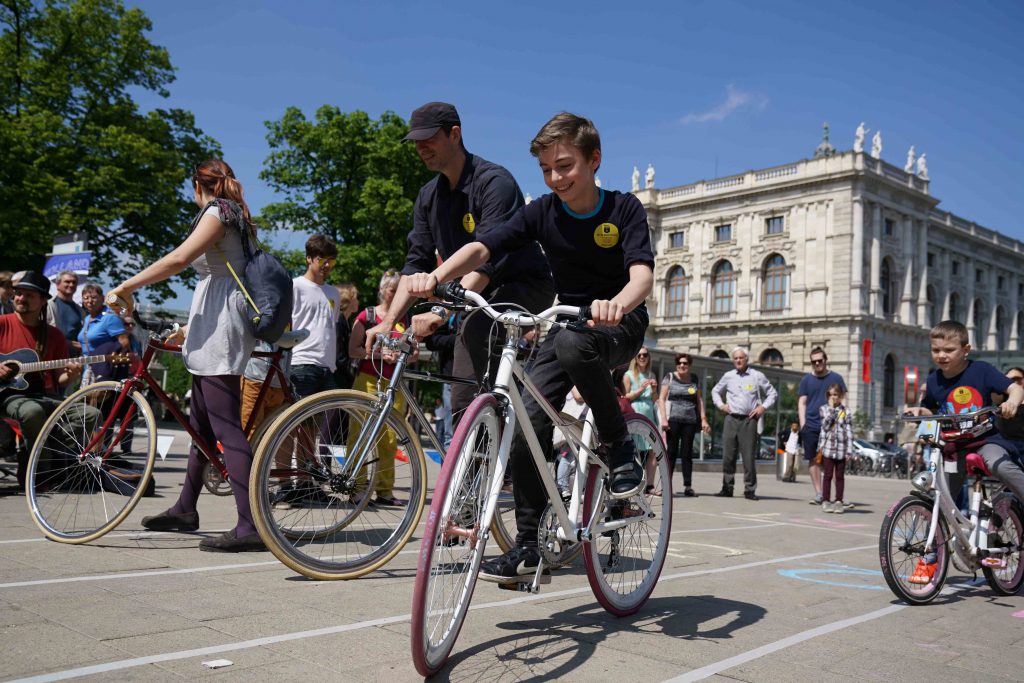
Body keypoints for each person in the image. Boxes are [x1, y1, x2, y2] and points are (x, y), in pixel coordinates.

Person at [406, 112, 654, 584]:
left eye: (565, 166)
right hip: (564, 325)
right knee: (525, 422)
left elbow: (641, 274)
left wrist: (617, 305)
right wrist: (437, 278)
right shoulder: (542, 211)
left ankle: (620, 447)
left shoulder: (623, 209)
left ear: (594, 160)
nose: (556, 178)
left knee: (578, 344)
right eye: (546, 170)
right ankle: (526, 542)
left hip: (619, 322)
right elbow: (484, 247)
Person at [364, 101, 554, 427]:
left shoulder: (495, 183)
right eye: (416, 143)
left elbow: (487, 261)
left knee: (473, 329)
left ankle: (476, 455)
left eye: (429, 139)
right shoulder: (428, 198)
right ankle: (487, 436)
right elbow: (414, 266)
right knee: (473, 344)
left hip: (524, 284)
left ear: (455, 134)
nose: (421, 149)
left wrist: (440, 312)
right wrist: (389, 321)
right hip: (471, 293)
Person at [106, 159, 264, 553]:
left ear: (198, 185)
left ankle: (250, 525)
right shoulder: (235, 213)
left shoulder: (217, 211)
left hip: (222, 322)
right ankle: (184, 507)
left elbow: (177, 260)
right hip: (213, 320)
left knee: (226, 425)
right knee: (201, 424)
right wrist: (190, 326)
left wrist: (126, 285)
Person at [906, 320, 1024, 584]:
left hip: (985, 440)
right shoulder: (934, 380)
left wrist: (1012, 403)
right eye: (936, 350)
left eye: (949, 349)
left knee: (998, 464)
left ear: (966, 349)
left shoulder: (981, 371)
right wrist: (919, 412)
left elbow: (1014, 388)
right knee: (938, 500)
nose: (941, 355)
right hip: (953, 447)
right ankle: (929, 560)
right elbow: (930, 411)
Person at [0, 271, 95, 488]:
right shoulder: (2, 323)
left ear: (43, 301)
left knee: (91, 415)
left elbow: (60, 379)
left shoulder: (54, 335)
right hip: (7, 396)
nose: (21, 298)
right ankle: (41, 464)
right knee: (32, 411)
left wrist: (71, 374)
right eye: (18, 294)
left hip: (43, 395)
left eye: (28, 295)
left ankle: (43, 450)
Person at [348, 270, 416, 506]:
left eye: (400, 290)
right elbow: (352, 350)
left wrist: (402, 354)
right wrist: (378, 352)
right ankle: (356, 487)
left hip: (393, 383)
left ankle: (384, 491)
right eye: (392, 290)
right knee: (359, 434)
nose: (396, 294)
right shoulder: (367, 315)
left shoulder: (405, 319)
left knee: (388, 439)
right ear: (382, 290)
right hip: (367, 380)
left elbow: (415, 352)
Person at [711, 347, 777, 500]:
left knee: (748, 457)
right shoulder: (728, 376)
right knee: (728, 456)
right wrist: (721, 405)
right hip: (731, 418)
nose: (738, 361)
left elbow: (772, 393)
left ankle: (749, 490)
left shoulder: (756, 376)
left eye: (741, 358)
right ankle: (727, 488)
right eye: (736, 358)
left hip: (749, 420)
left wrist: (762, 407)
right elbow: (715, 391)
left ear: (746, 359)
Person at [289, 235, 341, 399]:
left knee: (329, 422)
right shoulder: (295, 286)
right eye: (322, 260)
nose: (327, 265)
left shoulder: (334, 293)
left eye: (331, 261)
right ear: (309, 259)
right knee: (301, 422)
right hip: (301, 362)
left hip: (328, 366)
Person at [798, 347, 847, 505]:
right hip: (811, 425)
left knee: (831, 462)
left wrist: (841, 421)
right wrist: (803, 424)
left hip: (832, 426)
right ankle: (819, 493)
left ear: (826, 360)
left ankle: (837, 497)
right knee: (813, 460)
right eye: (814, 362)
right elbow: (802, 402)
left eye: (820, 360)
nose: (817, 363)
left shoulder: (836, 378)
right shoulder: (806, 380)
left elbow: (844, 400)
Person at [658, 352, 709, 497]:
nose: (682, 365)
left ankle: (688, 486)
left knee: (687, 454)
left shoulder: (694, 378)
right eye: (679, 363)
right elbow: (661, 399)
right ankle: (666, 486)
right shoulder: (670, 377)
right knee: (671, 453)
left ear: (689, 365)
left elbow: (699, 400)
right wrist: (663, 419)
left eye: (685, 363)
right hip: (672, 419)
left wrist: (703, 418)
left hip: (690, 421)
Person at [77, 283, 132, 386]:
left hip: (104, 370)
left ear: (102, 299)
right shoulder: (87, 318)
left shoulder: (110, 318)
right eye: (86, 298)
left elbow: (124, 343)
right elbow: (87, 343)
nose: (89, 301)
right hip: (88, 369)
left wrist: (112, 365)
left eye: (93, 297)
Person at [818, 385, 853, 513]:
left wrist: (849, 450)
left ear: (840, 396)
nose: (834, 397)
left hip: (841, 449)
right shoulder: (823, 409)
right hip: (828, 448)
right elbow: (825, 426)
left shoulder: (846, 411)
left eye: (836, 395)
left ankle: (839, 501)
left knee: (839, 476)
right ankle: (826, 500)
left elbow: (849, 432)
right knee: (827, 475)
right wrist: (832, 410)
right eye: (831, 395)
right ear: (828, 396)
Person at [46, 270, 85, 357]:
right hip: (51, 357)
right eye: (67, 282)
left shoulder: (80, 311)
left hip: (73, 359)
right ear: (57, 285)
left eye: (74, 282)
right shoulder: (46, 305)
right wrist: (67, 343)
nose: (71, 285)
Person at [333, 283, 359, 390]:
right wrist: (351, 373)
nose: (358, 301)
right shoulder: (338, 320)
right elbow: (338, 354)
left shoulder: (345, 321)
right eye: (356, 298)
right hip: (337, 378)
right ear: (348, 300)